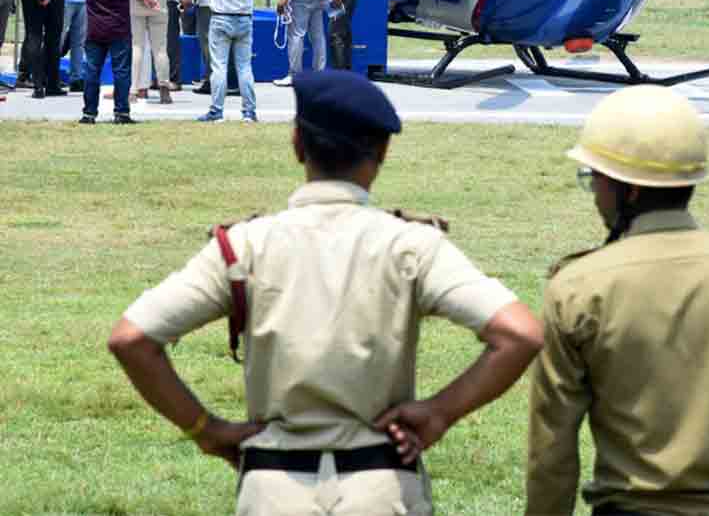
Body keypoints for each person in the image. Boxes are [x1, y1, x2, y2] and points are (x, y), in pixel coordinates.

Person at [109, 69, 543, 516]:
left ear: (298, 145)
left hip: (273, 488)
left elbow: (131, 339)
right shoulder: (411, 244)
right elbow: (519, 334)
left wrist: (207, 430)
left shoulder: (245, 245)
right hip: (380, 487)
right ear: (383, 151)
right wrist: (440, 412)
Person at [526, 85, 709, 516]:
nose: (595, 194)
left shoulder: (579, 289)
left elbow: (553, 451)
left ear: (629, 191)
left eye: (595, 179)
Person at [80, 0, 158, 125]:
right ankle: (121, 112)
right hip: (118, 27)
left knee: (92, 71)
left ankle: (89, 113)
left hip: (95, 27)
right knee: (121, 71)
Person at [199, 0, 260, 123]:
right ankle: (249, 111)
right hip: (244, 17)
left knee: (219, 66)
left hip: (221, 16)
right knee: (244, 66)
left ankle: (217, 110)